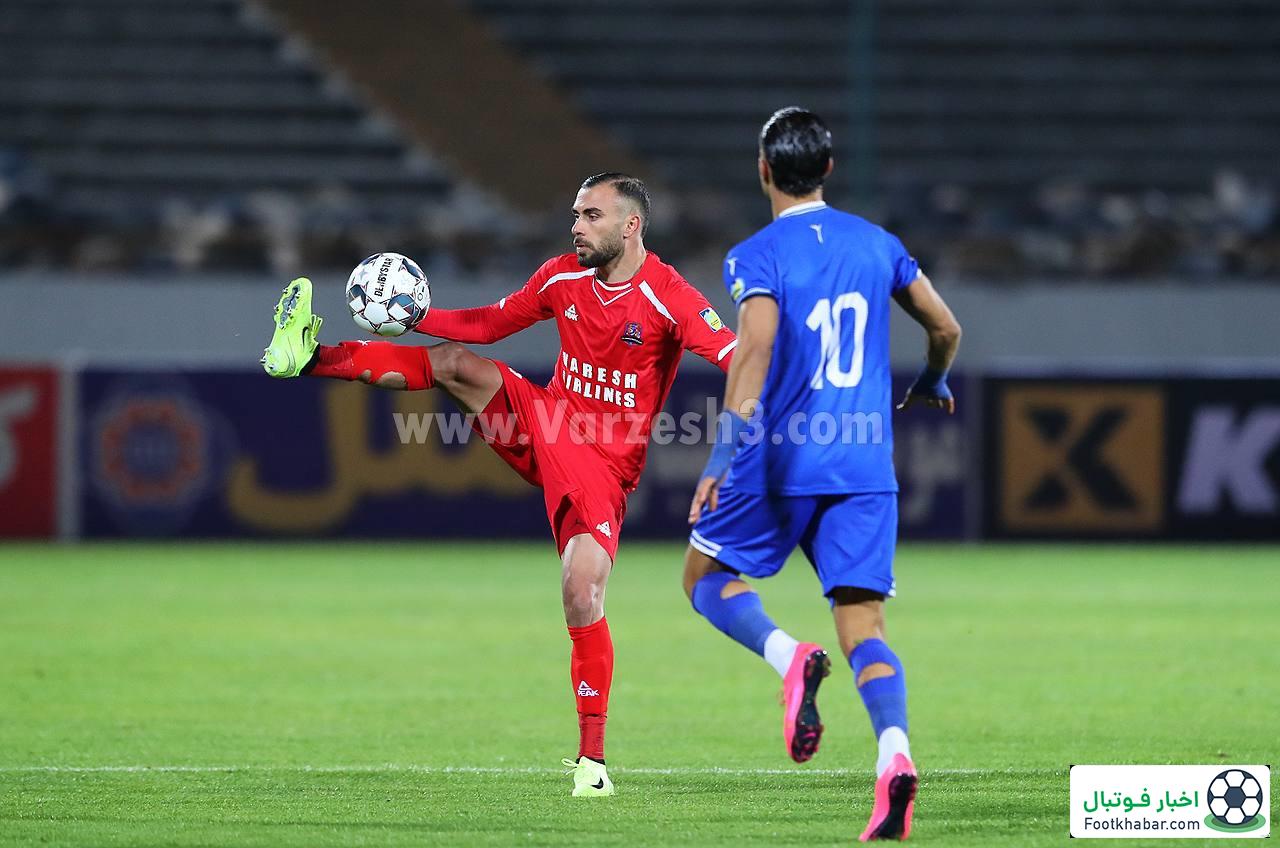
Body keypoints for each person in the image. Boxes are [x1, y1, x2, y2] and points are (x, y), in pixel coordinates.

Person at [261, 173, 737, 797]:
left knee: (580, 592)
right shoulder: (560, 277)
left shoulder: (669, 297)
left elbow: (734, 356)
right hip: (546, 426)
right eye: (575, 214)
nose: (576, 226)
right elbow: (491, 324)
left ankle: (592, 762)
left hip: (603, 465)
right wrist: (420, 315)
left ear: (631, 225)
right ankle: (312, 357)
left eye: (591, 216)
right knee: (458, 363)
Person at [683, 108, 961, 841]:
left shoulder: (756, 254)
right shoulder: (879, 246)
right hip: (864, 464)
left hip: (780, 460)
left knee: (703, 578)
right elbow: (946, 327)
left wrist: (720, 456)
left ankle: (787, 656)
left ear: (764, 169)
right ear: (829, 171)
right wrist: (933, 379)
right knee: (865, 628)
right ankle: (894, 757)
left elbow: (756, 351)